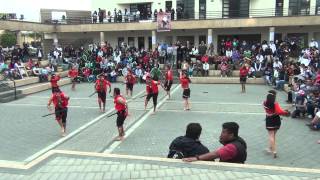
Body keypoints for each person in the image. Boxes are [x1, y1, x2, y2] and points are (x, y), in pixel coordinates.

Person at [183, 122, 247, 164]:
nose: (221, 134)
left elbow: (215, 154)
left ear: (231, 135)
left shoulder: (231, 147)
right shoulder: (240, 140)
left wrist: (196, 158)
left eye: (223, 132)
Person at [263, 90, 290, 158]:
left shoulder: (264, 102)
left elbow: (269, 111)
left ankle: (274, 151)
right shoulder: (275, 103)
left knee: (271, 136)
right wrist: (285, 112)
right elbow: (279, 111)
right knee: (273, 135)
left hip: (269, 120)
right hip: (276, 120)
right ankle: (270, 148)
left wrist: (283, 111)